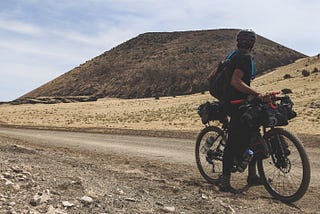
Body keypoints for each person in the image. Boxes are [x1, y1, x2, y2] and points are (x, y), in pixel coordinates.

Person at [209, 29, 270, 193]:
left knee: (252, 132)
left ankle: (252, 176)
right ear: (253, 43)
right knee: (234, 140)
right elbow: (236, 82)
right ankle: (225, 180)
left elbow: (211, 77)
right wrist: (256, 93)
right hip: (235, 104)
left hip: (230, 101)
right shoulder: (244, 57)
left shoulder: (231, 56)